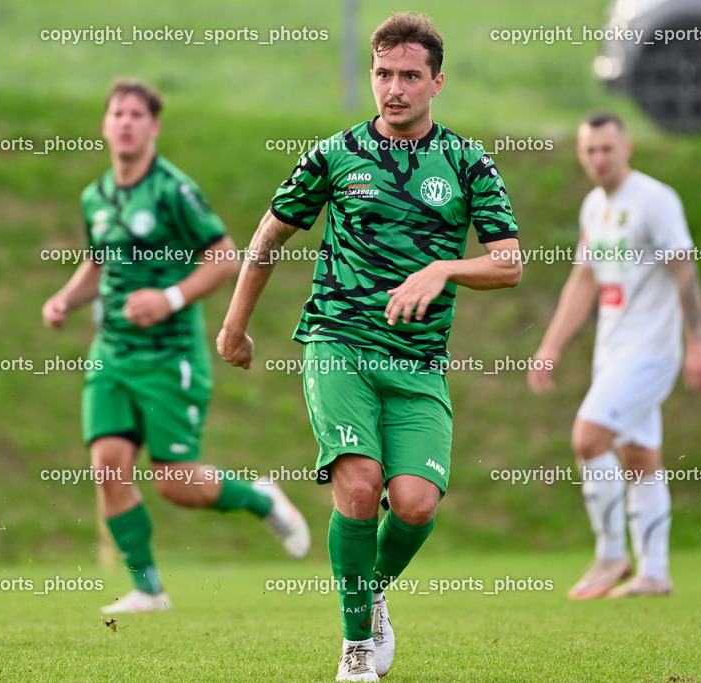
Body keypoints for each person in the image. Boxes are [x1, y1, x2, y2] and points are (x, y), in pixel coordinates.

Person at [217, 13, 521, 681]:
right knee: (359, 485)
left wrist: (442, 269)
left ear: (437, 82)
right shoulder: (334, 155)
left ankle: (371, 589)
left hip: (416, 362)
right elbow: (269, 238)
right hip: (340, 343)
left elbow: (509, 264)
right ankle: (356, 646)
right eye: (384, 74)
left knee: (414, 503)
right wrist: (235, 325)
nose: (395, 88)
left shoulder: (468, 163)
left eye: (411, 76)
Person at [42, 78, 310, 614]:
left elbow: (225, 256)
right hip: (113, 355)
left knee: (176, 484)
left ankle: (261, 498)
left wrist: (167, 299)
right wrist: (65, 300)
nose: (125, 122)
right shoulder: (95, 196)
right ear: (104, 124)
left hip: (170, 357)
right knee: (108, 467)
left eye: (137, 115)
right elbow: (100, 263)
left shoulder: (172, 190)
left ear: (154, 127)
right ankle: (148, 589)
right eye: (117, 113)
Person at [528, 112, 701, 599]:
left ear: (626, 148)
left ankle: (613, 555)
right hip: (611, 350)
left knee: (588, 439)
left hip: (651, 352)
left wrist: (696, 343)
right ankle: (654, 574)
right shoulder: (593, 207)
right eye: (590, 150)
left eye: (607, 148)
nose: (599, 158)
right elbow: (584, 279)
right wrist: (550, 346)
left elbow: (685, 271)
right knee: (640, 458)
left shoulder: (655, 200)